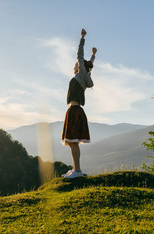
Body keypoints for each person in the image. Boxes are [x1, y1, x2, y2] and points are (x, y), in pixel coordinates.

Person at [61, 28, 97, 179]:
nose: (76, 64)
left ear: (81, 67)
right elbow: (88, 67)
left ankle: (77, 171)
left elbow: (80, 56)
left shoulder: (81, 74)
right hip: (74, 110)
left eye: (78, 64)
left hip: (75, 110)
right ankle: (75, 169)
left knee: (73, 142)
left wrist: (82, 38)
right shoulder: (84, 76)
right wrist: (94, 56)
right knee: (71, 142)